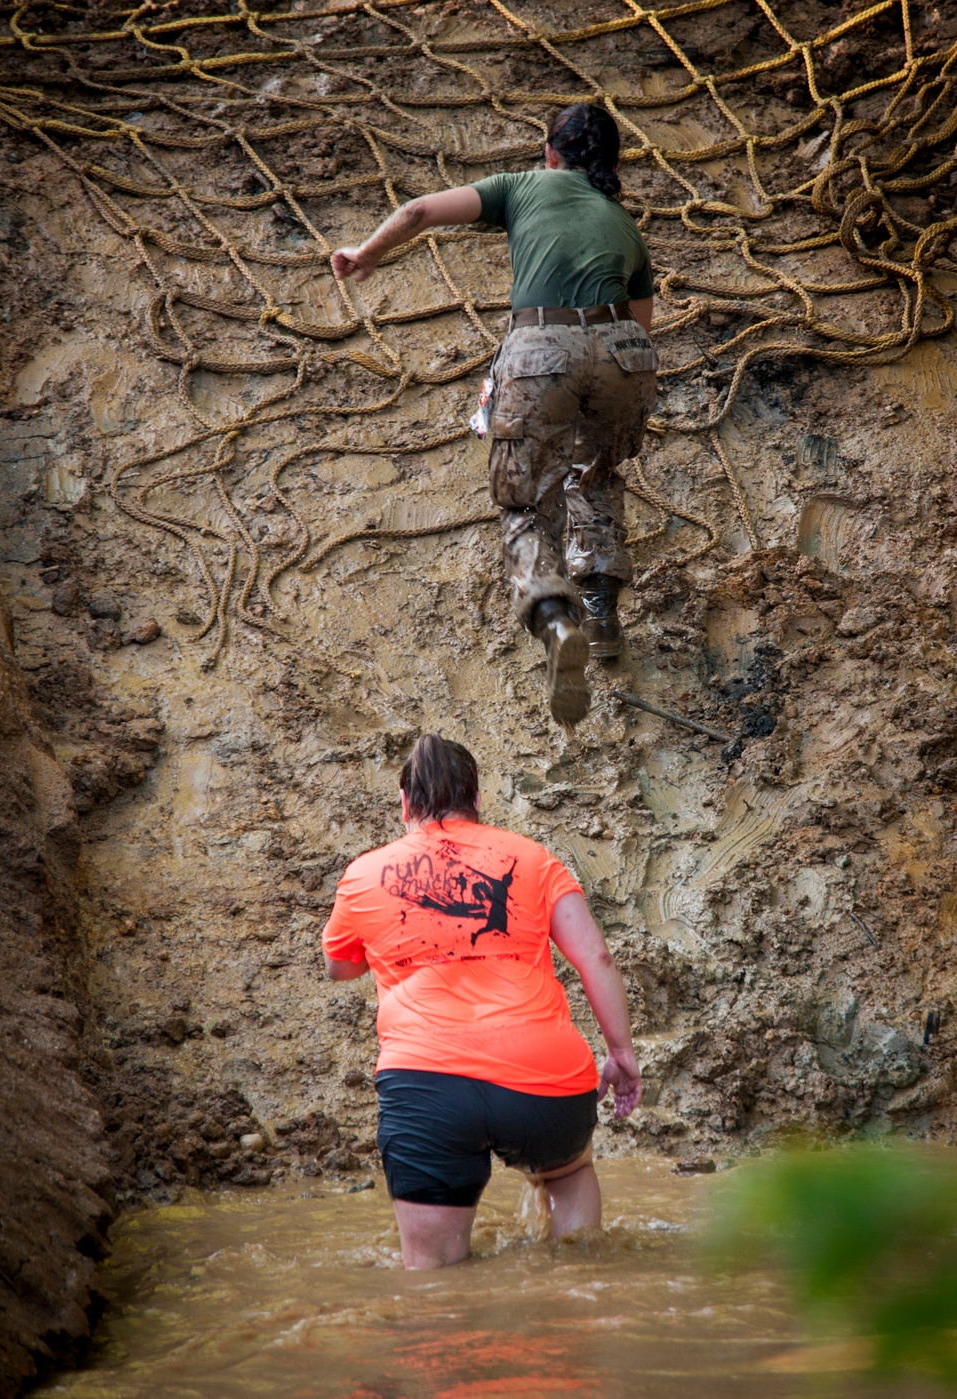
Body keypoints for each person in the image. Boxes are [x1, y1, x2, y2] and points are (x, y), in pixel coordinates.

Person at [332, 103, 658, 728]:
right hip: (626, 356)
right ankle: (603, 615)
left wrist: (367, 251)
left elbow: (420, 211)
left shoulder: (521, 187)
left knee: (526, 502)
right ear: (612, 166)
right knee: (595, 474)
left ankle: (557, 619)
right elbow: (641, 329)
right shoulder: (624, 225)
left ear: (549, 153)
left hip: (541, 350)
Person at [321, 734, 642, 1269]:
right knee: (568, 1177)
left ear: (404, 803)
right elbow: (597, 960)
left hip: (427, 1080)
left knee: (434, 1278)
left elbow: (340, 966)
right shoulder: (533, 859)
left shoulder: (363, 874)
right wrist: (622, 1054)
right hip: (543, 1076)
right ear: (477, 798)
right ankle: (581, 1293)